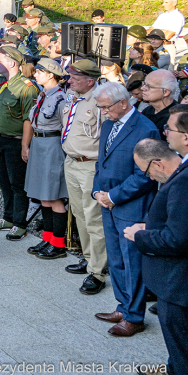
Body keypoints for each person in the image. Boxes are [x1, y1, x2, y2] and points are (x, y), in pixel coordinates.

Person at [128, 114, 188, 375]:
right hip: (182, 281)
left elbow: (178, 239)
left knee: (185, 349)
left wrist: (141, 235)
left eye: (169, 129)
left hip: (182, 283)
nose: (165, 133)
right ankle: (173, 370)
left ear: (187, 137)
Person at [91, 81, 160, 337]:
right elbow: (103, 162)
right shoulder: (109, 122)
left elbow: (145, 175)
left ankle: (134, 317)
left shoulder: (146, 129)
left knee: (132, 262)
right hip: (108, 202)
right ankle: (123, 305)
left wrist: (113, 196)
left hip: (131, 205)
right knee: (116, 258)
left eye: (106, 107)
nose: (103, 112)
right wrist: (97, 191)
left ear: (123, 103)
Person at [61, 59, 110, 294]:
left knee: (94, 218)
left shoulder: (100, 101)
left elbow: (106, 137)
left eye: (75, 78)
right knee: (80, 214)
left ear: (90, 81)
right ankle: (89, 259)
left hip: (89, 165)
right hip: (71, 161)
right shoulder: (73, 97)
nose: (69, 81)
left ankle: (98, 272)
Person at [22, 58, 70, 259]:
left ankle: (58, 243)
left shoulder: (61, 98)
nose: (36, 74)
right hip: (40, 144)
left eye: (40, 72)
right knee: (44, 196)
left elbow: (66, 127)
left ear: (51, 75)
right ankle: (48, 238)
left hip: (52, 145)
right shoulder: (43, 95)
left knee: (54, 195)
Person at [0, 46, 38, 241]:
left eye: (0, 60)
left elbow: (29, 119)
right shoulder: (4, 84)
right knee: (4, 181)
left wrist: (25, 146)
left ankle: (20, 223)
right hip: (0, 139)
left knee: (18, 184)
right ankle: (8, 217)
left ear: (11, 63)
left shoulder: (27, 87)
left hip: (16, 141)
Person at [141, 69, 179, 134]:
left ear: (166, 92)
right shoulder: (148, 111)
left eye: (149, 86)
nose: (142, 88)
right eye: (144, 84)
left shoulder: (176, 117)